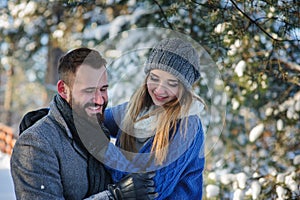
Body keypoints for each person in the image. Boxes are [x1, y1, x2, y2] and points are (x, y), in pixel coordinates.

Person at [10, 48, 156, 200]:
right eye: (89, 90)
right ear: (63, 90)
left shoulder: (95, 132)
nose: (99, 100)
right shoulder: (35, 145)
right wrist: (114, 196)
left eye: (103, 89)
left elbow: (134, 112)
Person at [104, 38, 206, 199]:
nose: (159, 90)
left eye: (172, 83)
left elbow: (150, 188)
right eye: (154, 78)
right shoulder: (139, 108)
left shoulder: (188, 125)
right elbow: (94, 119)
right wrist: (57, 113)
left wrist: (104, 150)